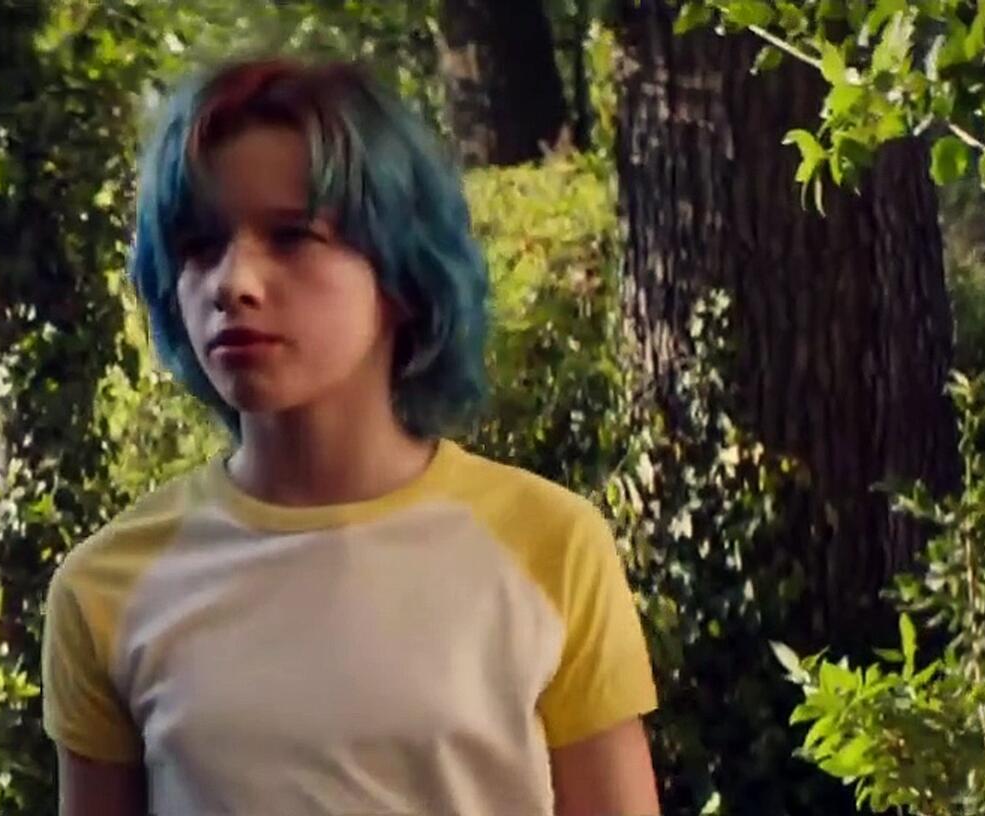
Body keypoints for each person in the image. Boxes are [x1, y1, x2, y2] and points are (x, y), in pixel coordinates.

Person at [43, 56, 659, 816]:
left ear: (401, 274)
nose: (232, 283)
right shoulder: (107, 587)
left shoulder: (551, 547)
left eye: (292, 236)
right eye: (199, 246)